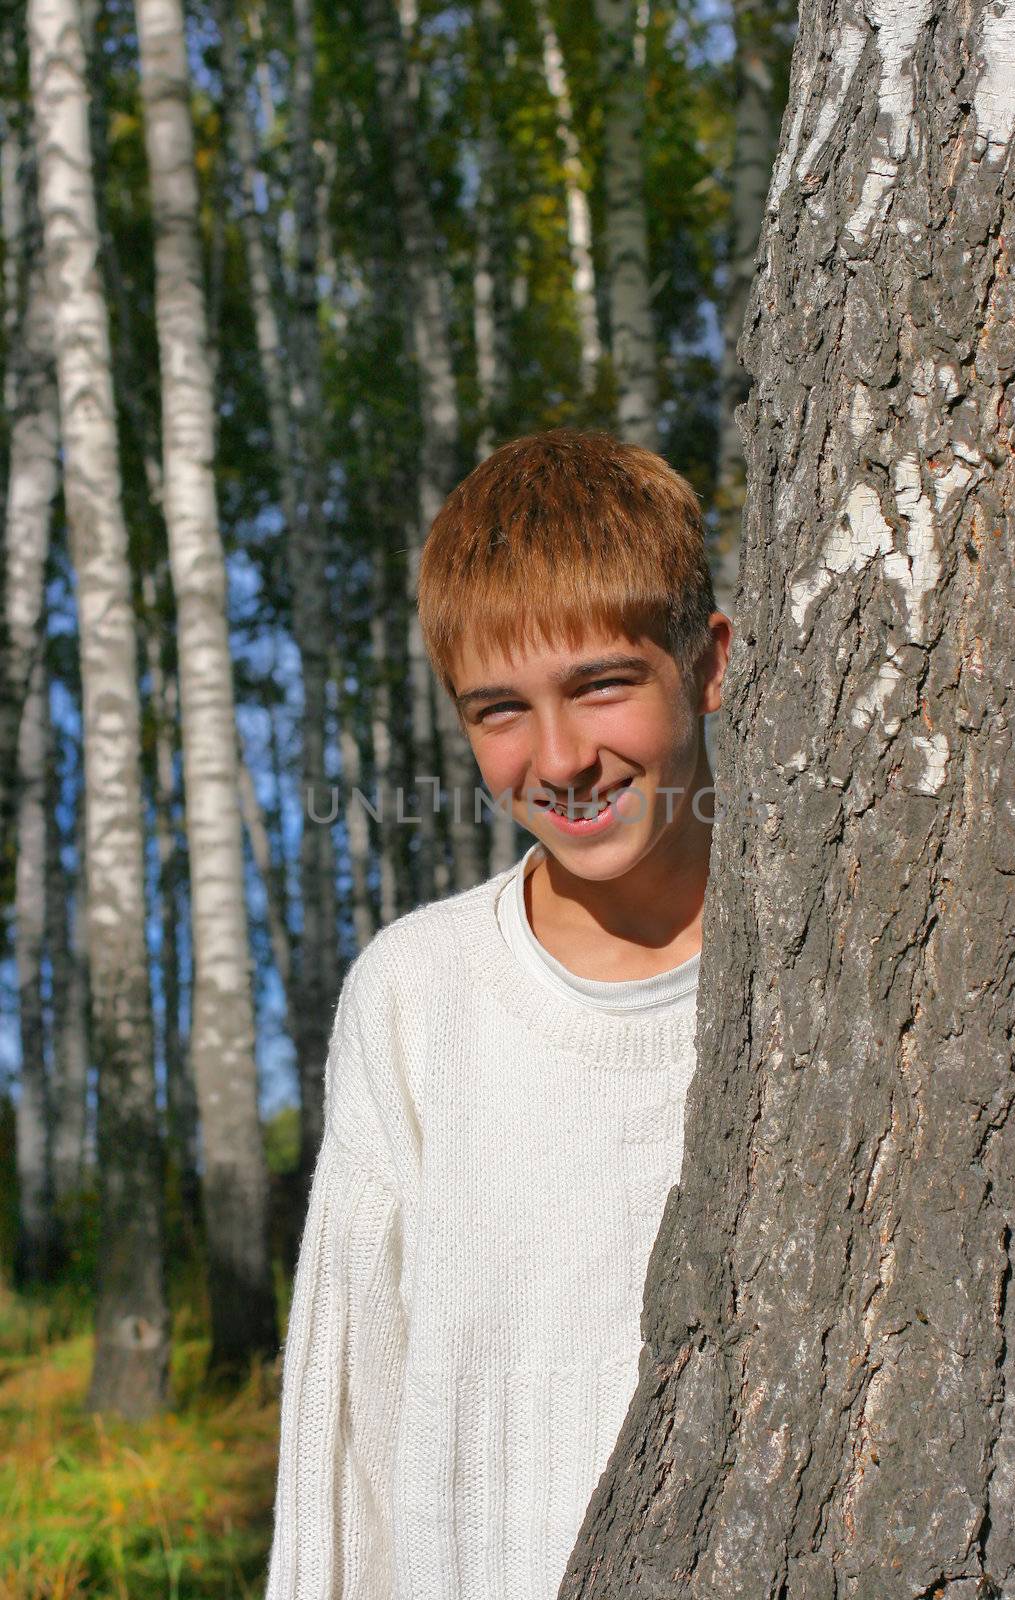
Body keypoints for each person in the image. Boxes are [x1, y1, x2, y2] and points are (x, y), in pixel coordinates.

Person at [264, 428, 733, 1599]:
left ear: (709, 663)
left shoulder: (830, 970)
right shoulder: (416, 997)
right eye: (499, 711)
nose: (561, 757)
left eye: (602, 685)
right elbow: (348, 1434)